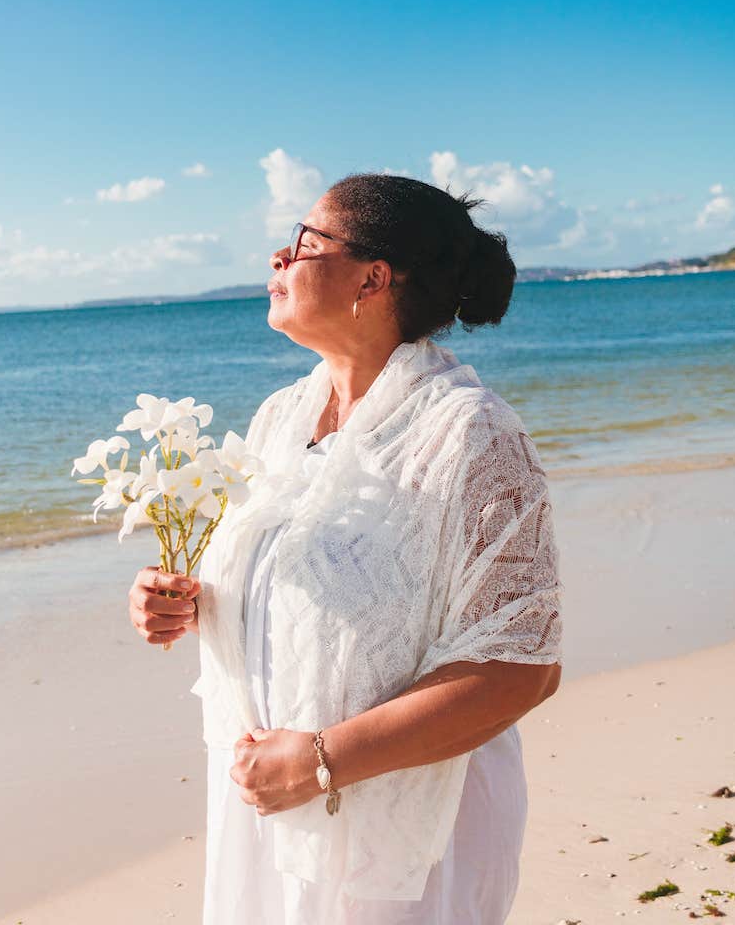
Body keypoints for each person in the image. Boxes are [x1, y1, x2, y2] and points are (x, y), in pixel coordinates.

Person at [128, 172, 563, 925]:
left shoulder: (472, 435)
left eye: (304, 242)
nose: (278, 256)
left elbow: (520, 668)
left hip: (406, 831)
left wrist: (322, 760)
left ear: (373, 277)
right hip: (271, 804)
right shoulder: (280, 417)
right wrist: (191, 603)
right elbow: (307, 590)